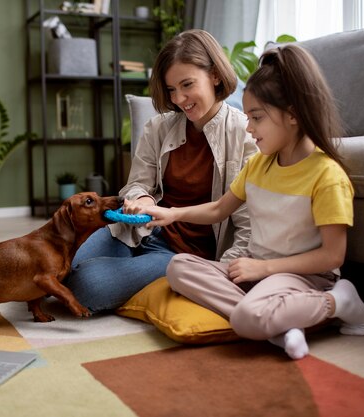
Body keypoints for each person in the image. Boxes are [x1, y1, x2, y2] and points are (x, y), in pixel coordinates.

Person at [141, 44, 364, 360]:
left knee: (245, 319)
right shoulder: (259, 165)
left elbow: (333, 255)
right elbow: (219, 209)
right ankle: (279, 323)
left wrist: (264, 267)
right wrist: (170, 214)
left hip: (301, 276)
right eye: (248, 117)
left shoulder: (326, 175)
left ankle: (338, 301)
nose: (249, 128)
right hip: (255, 270)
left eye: (257, 118)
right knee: (179, 267)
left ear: (292, 114)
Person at [62, 29, 258, 313]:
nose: (178, 99)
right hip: (138, 230)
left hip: (181, 255)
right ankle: (117, 273)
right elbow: (136, 184)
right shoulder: (159, 127)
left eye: (187, 85)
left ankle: (119, 276)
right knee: (58, 261)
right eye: (171, 89)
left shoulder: (244, 136)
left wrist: (222, 273)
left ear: (215, 75)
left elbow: (246, 223)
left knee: (86, 288)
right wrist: (142, 200)